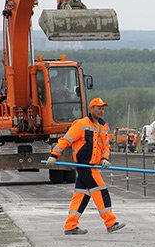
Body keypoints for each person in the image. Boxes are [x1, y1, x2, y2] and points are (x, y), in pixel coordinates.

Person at [46, 97, 126, 234]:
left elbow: (105, 146)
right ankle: (110, 222)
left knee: (81, 195)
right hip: (85, 166)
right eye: (98, 108)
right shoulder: (81, 124)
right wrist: (54, 155)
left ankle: (70, 226)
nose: (101, 111)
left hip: (93, 166)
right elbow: (65, 140)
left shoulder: (103, 127)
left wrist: (104, 158)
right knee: (101, 191)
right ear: (91, 109)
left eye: (102, 108)